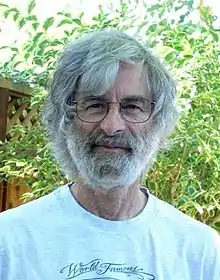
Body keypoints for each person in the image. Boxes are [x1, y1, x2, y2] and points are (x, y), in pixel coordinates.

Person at [0, 30, 219, 280]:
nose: (112, 125)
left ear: (158, 121)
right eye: (94, 105)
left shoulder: (201, 252)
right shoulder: (9, 243)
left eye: (132, 107)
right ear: (66, 119)